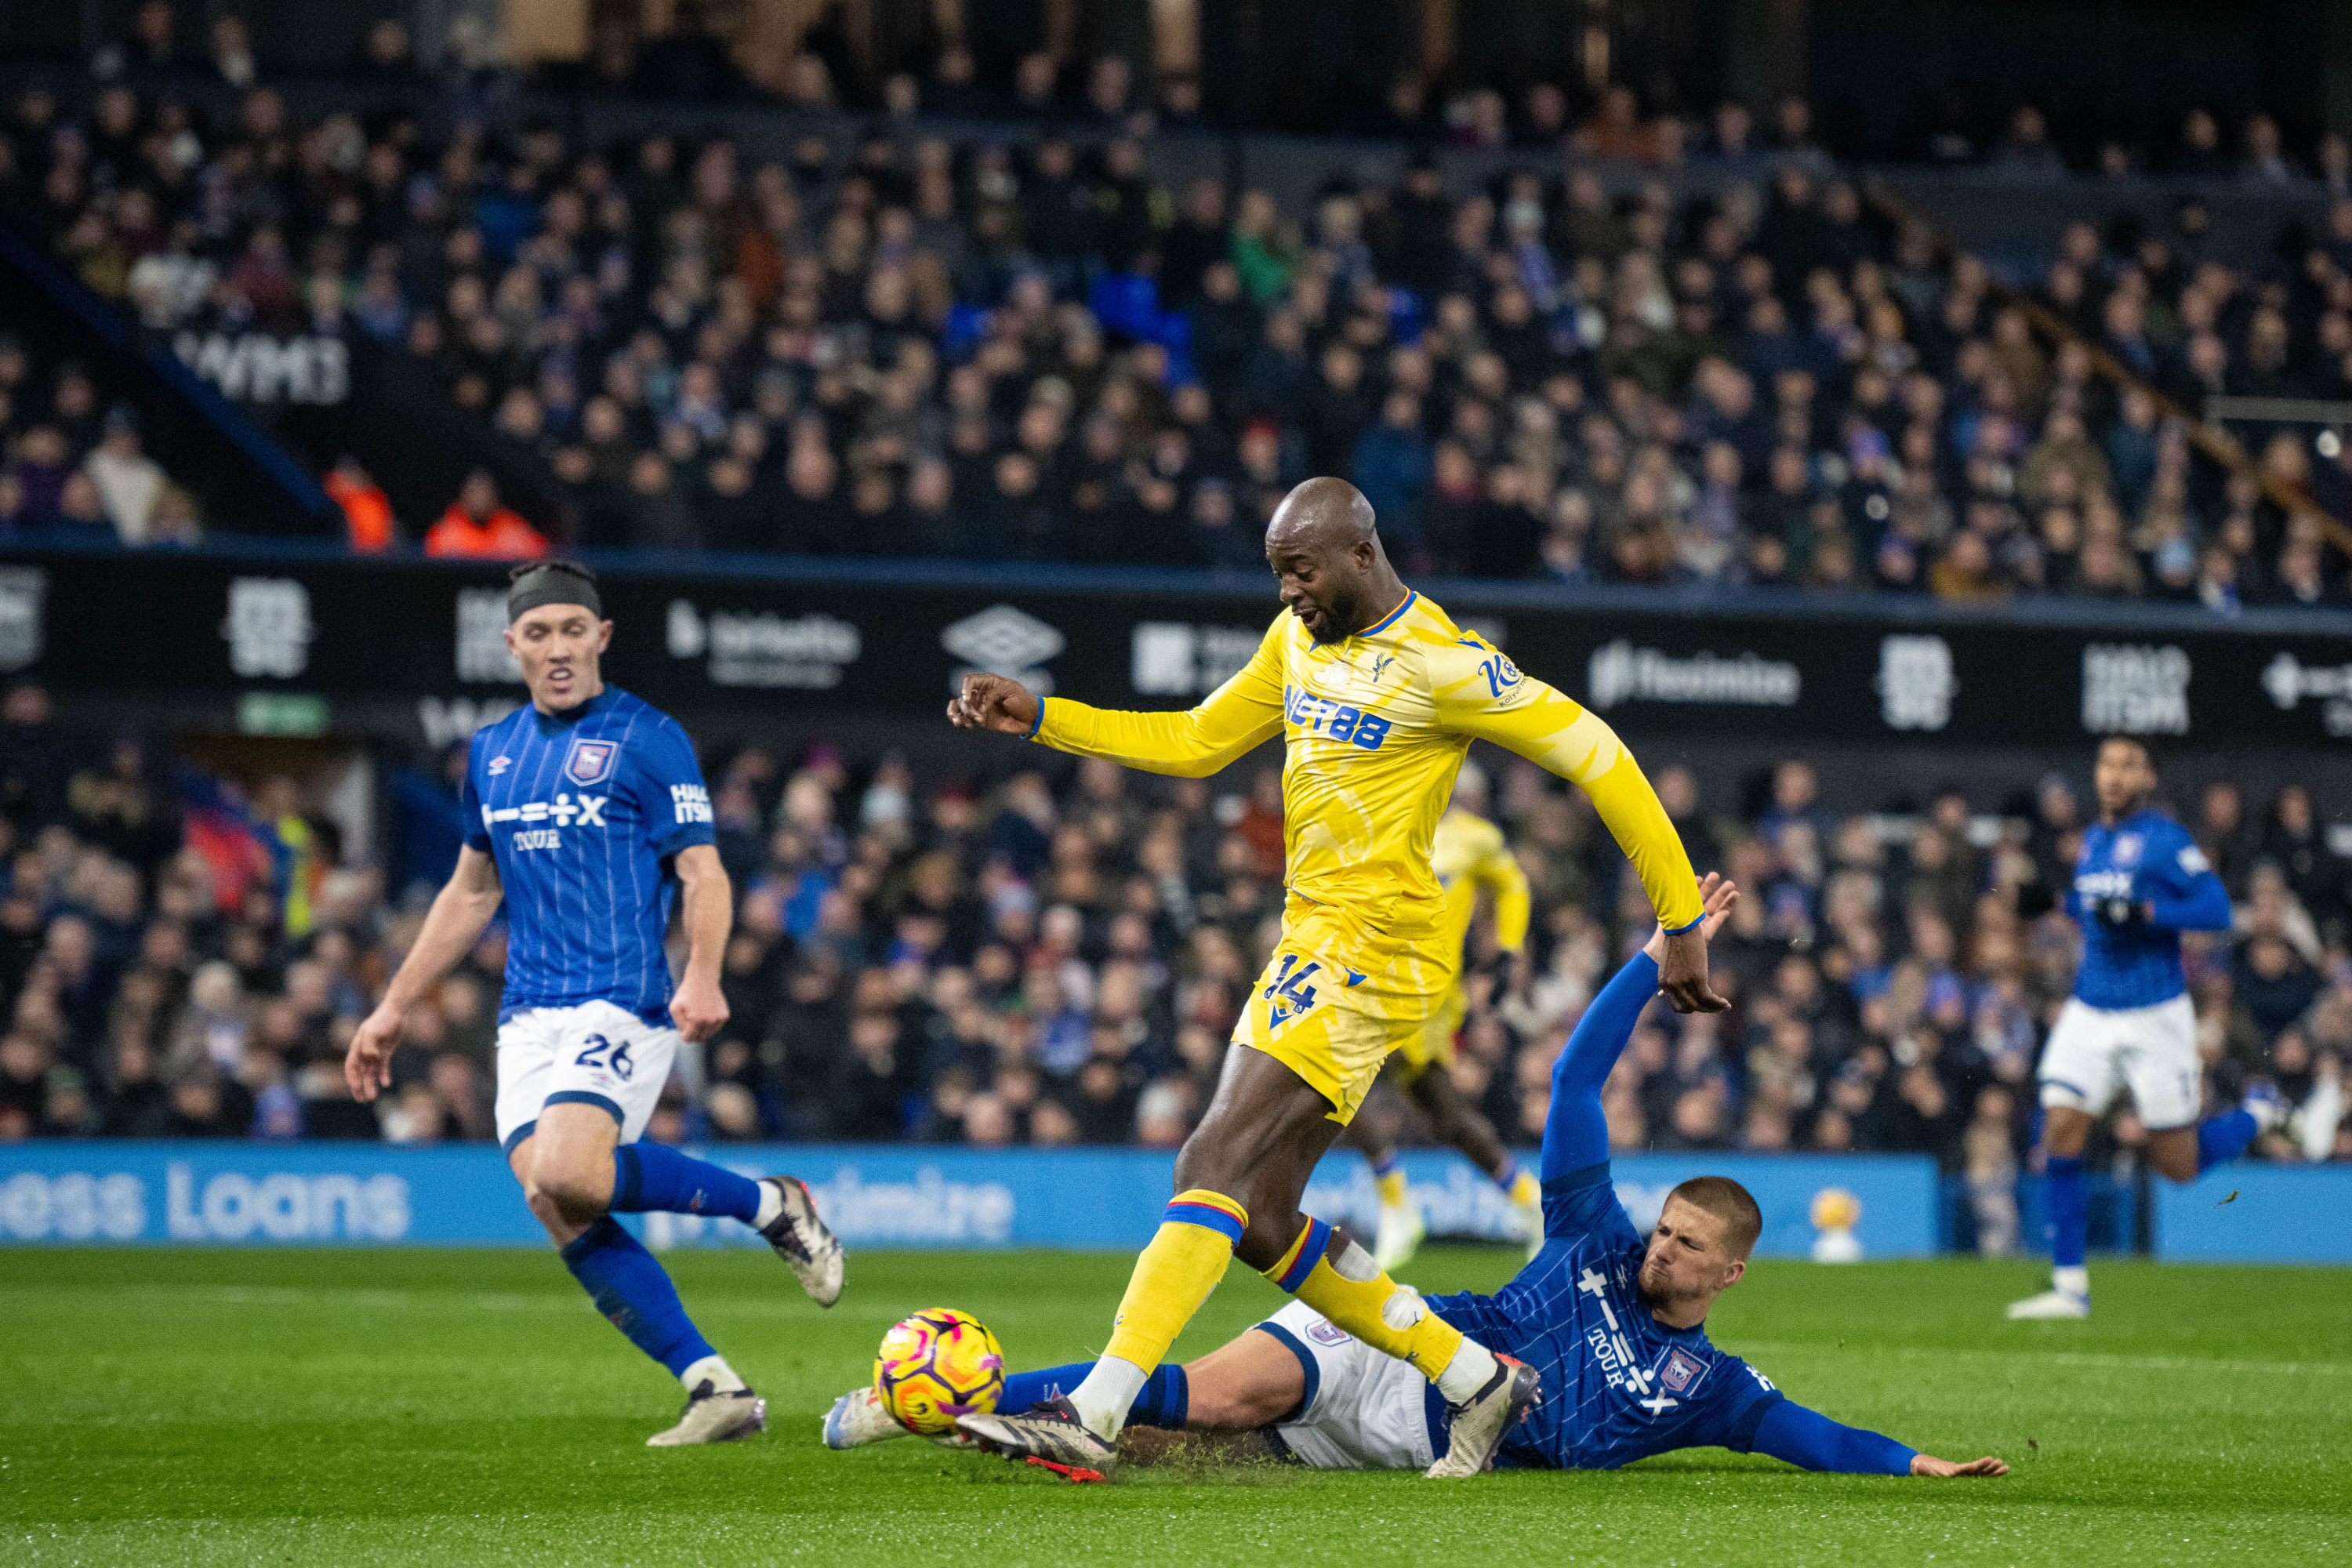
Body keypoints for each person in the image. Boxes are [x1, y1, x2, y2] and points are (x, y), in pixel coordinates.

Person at [943, 477, 1719, 1478]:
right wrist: (1044, 714)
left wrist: (1681, 920)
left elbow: (1600, 756)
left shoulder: (1445, 663)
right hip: (1312, 943)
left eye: (1300, 572)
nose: (1287, 594)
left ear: (1361, 551)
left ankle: (1094, 1412)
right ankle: (1474, 1375)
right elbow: (1194, 741)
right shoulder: (1298, 643)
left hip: (1370, 953)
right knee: (1261, 1216)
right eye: (1277, 575)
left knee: (1206, 1165)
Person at [829, 878, 2009, 1483]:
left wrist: (1918, 1465)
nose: (1663, 1250)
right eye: (1666, 1230)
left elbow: (1804, 1435)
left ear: (1731, 1272)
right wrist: (1652, 965)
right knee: (1204, 1396)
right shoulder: (1594, 1236)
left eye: (1689, 1248)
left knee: (1176, 1432)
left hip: (1399, 1451)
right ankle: (928, 1404)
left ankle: (997, 1415)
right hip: (1393, 1348)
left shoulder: (1704, 1386)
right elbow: (1573, 1090)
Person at [343, 561, 844, 1443]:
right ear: (512, 645)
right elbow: (468, 891)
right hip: (527, 1013)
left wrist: (701, 973)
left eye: (574, 629)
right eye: (539, 633)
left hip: (625, 995)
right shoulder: (493, 753)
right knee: (553, 1198)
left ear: (602, 637)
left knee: (571, 1169)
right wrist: (390, 1006)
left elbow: (703, 869)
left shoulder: (648, 737)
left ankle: (771, 1203)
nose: (558, 647)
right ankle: (714, 1386)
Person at [2007, 735, 2280, 1319]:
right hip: (2091, 1007)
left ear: (2148, 778)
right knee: (2059, 1127)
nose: (2114, 774)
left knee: (2175, 1167)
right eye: (2108, 762)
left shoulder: (2164, 839)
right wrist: (2054, 902)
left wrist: (2150, 913)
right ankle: (2069, 1287)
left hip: (2154, 1014)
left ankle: (2261, 1111)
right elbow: (2099, 912)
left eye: (2129, 765)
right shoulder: (2095, 841)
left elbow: (2215, 909)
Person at [1342, 762, 1544, 1271]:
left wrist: (1508, 948)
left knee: (1338, 1078)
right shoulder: (1385, 825)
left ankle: (1395, 1204)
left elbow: (1513, 885)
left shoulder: (1473, 839)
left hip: (1427, 989)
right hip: (1374, 980)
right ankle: (1529, 1198)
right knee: (1444, 1115)